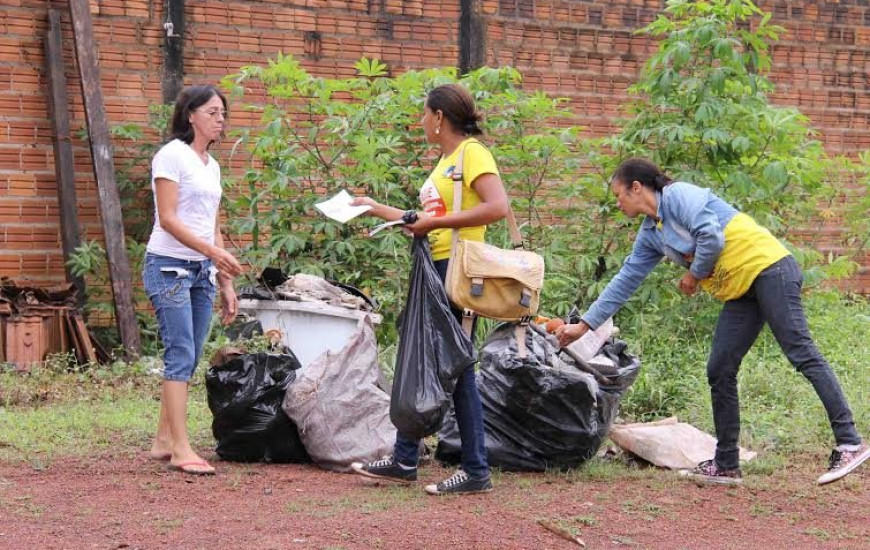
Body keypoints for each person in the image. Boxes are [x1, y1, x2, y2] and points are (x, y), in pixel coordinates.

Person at [556, 157, 868, 486]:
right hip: (741, 290)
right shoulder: (652, 233)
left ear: (637, 187)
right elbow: (626, 279)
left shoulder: (679, 196)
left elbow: (711, 237)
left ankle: (850, 442)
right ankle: (727, 463)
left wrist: (694, 275)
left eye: (619, 194)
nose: (617, 202)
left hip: (768, 268)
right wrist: (584, 325)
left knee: (800, 351)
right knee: (719, 368)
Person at [349, 84, 509, 495]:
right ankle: (405, 458)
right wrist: (373, 207)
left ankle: (474, 470)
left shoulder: (472, 153)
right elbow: (428, 216)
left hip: (456, 269)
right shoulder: (446, 161)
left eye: (424, 115)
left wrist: (432, 225)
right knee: (430, 359)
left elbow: (496, 207)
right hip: (436, 266)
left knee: (455, 366)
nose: (421, 122)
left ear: (439, 118)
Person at [142, 84, 244, 476]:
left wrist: (223, 280)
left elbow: (212, 225)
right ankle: (182, 449)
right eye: (213, 112)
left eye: (223, 113)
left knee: (192, 352)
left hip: (202, 270)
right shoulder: (171, 156)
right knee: (180, 352)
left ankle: (164, 439)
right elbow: (168, 218)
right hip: (169, 264)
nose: (221, 119)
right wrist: (214, 252)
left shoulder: (211, 165)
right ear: (191, 114)